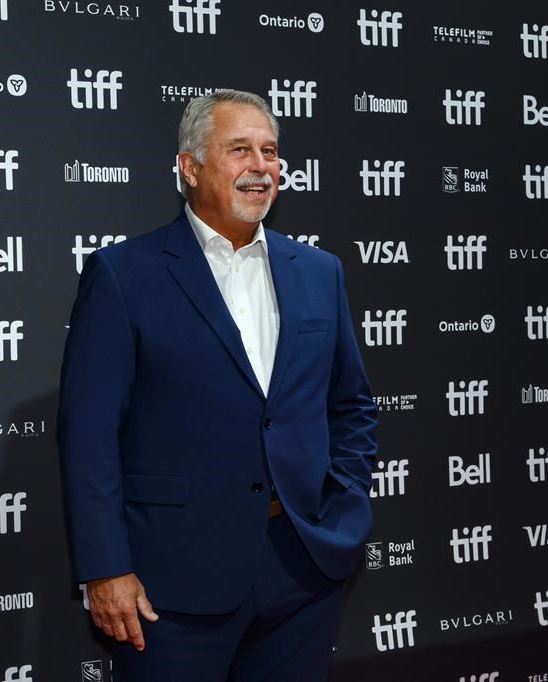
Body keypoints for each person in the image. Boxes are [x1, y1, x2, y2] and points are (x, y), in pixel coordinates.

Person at [57, 89, 378, 681]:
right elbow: (90, 433)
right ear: (190, 166)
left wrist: (344, 502)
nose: (261, 166)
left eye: (270, 151)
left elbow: (351, 404)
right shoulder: (125, 274)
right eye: (239, 150)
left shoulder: (319, 272)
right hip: (170, 583)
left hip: (303, 569)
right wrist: (105, 568)